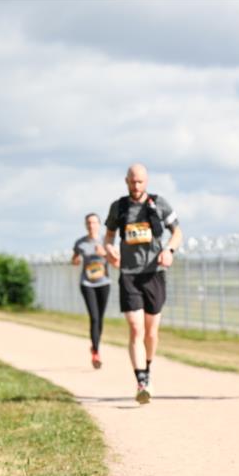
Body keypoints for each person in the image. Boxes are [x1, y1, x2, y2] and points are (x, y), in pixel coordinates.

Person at [103, 163, 183, 404]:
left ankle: (147, 369)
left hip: (154, 274)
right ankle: (141, 382)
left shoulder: (159, 204)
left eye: (140, 182)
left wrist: (169, 250)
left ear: (146, 182)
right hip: (129, 274)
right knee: (136, 328)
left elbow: (177, 232)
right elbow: (108, 237)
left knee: (151, 332)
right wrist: (109, 250)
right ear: (126, 181)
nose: (136, 186)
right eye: (132, 181)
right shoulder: (119, 207)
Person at [72, 213, 112, 369]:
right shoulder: (80, 243)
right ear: (85, 225)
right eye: (88, 222)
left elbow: (116, 260)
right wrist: (75, 260)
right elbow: (74, 260)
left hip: (104, 282)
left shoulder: (106, 241)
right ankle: (96, 352)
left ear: (99, 224)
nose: (91, 225)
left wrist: (105, 253)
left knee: (100, 318)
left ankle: (95, 345)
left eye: (94, 222)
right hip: (87, 283)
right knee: (94, 317)